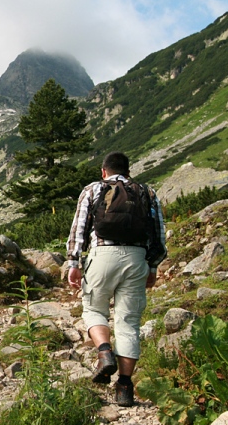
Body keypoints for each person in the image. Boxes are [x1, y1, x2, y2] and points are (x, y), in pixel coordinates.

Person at [66, 151, 167, 407]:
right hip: (137, 258)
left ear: (104, 171)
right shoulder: (147, 192)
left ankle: (104, 352)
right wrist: (152, 266)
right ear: (129, 171)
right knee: (129, 321)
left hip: (102, 255)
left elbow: (79, 228)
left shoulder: (93, 189)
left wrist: (74, 263)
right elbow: (158, 234)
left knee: (93, 309)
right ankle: (124, 387)